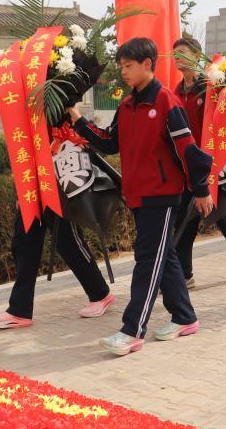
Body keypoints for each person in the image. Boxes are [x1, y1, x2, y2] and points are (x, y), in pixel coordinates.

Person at [68, 37, 214, 356]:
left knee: (148, 260)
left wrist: (202, 189)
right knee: (166, 256)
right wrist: (78, 120)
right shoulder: (128, 104)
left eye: (128, 66)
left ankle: (132, 329)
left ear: (147, 64)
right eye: (121, 66)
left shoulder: (166, 102)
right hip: (137, 193)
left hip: (162, 194)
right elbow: (109, 142)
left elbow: (189, 151)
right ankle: (185, 317)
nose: (124, 72)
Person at [171, 36, 226, 284]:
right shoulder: (175, 93)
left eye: (183, 51)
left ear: (198, 55)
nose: (178, 56)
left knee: (225, 215)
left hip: (215, 163)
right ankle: (185, 275)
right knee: (184, 220)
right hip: (188, 167)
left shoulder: (211, 86)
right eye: (175, 52)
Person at [0, 205, 115, 329]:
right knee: (23, 243)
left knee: (67, 242)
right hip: (31, 190)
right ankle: (20, 310)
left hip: (56, 190)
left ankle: (100, 294)